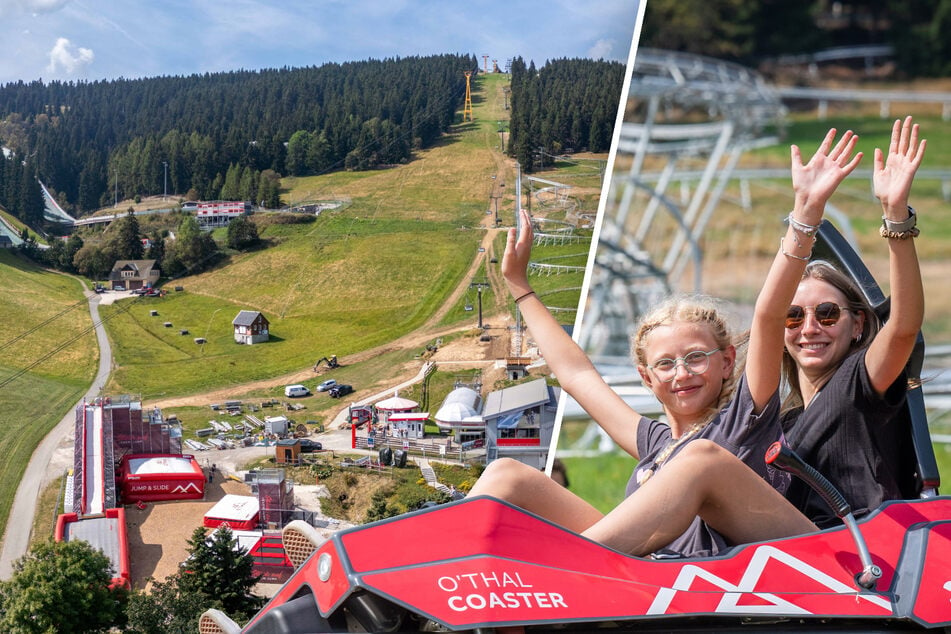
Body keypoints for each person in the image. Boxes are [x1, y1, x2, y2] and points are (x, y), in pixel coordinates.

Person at [468, 126, 863, 556]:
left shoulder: (743, 421)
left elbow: (768, 319)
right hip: (654, 571)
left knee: (702, 461)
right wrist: (519, 285)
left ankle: (571, 571)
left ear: (728, 361)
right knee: (507, 473)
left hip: (738, 571)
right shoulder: (654, 443)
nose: (682, 373)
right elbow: (577, 375)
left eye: (696, 358)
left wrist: (804, 218)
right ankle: (432, 576)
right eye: (666, 364)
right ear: (646, 376)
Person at [779, 115, 926, 528]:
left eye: (827, 314)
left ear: (858, 324)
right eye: (793, 316)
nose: (809, 328)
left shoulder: (858, 383)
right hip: (795, 557)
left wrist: (895, 216)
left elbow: (901, 328)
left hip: (865, 554)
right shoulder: (783, 423)